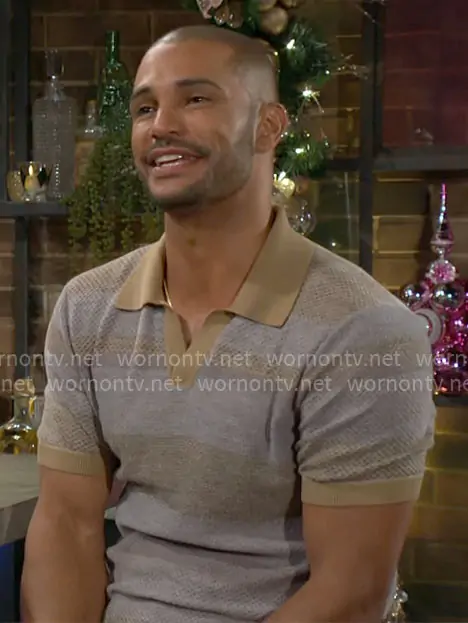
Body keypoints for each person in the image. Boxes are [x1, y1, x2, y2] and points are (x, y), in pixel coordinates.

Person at [21, 24, 435, 623]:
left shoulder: (363, 330)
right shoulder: (88, 306)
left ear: (269, 125)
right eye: (144, 108)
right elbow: (64, 525)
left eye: (195, 98)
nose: (160, 125)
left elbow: (350, 593)